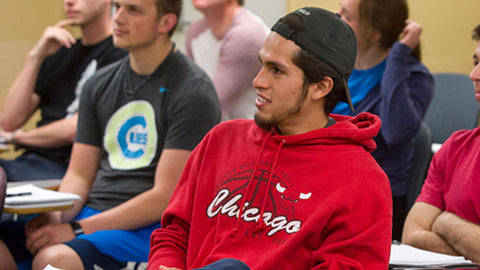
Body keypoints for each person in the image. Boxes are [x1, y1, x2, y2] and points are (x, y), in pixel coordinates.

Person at [148, 7, 392, 270]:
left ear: (321, 87)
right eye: (262, 64)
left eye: (276, 71)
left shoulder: (361, 179)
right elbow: (173, 233)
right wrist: (165, 264)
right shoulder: (221, 140)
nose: (258, 81)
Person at [0, 0, 221, 268]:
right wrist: (57, 218)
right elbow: (79, 175)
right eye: (117, 7)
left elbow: (165, 196)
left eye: (133, 10)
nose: (118, 18)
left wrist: (79, 229)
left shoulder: (193, 90)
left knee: (52, 260)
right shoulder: (98, 84)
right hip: (91, 211)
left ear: (166, 23)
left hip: (148, 227)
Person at [337, 0, 434, 240]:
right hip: (332, 187)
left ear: (375, 33)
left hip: (376, 203)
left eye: (347, 16)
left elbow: (396, 131)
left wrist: (398, 56)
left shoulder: (415, 78)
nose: (337, 19)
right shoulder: (336, 68)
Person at [0, 0, 127, 182]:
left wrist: (17, 138)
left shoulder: (119, 55)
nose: (69, 2)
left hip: (69, 169)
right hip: (31, 162)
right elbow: (10, 121)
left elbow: (77, 128)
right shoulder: (61, 50)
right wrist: (35, 56)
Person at [401, 24, 480, 264]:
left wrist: (445, 222)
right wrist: (471, 246)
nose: (474, 74)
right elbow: (411, 234)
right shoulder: (455, 147)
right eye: (475, 61)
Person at [186, 0, 269, 120]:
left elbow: (209, 106)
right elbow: (188, 92)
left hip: (251, 134)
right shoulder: (194, 32)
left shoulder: (246, 34)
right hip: (216, 131)